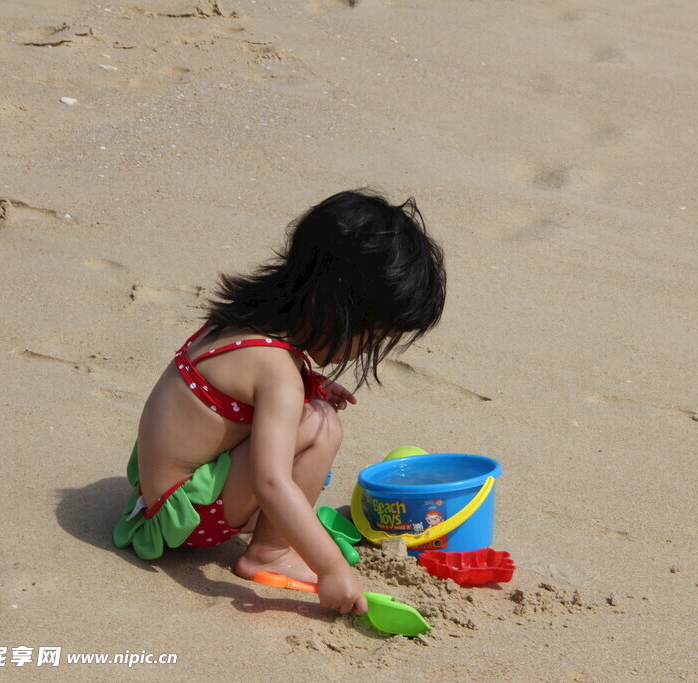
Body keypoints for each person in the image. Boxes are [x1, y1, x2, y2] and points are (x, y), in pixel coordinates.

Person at [112, 190, 447, 616]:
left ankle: (276, 531)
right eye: (372, 336)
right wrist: (329, 568)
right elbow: (271, 482)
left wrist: (311, 382)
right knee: (321, 425)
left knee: (306, 414)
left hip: (152, 498)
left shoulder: (244, 321)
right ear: (334, 305)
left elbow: (235, 395)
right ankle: (269, 553)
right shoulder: (278, 374)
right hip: (186, 519)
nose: (366, 350)